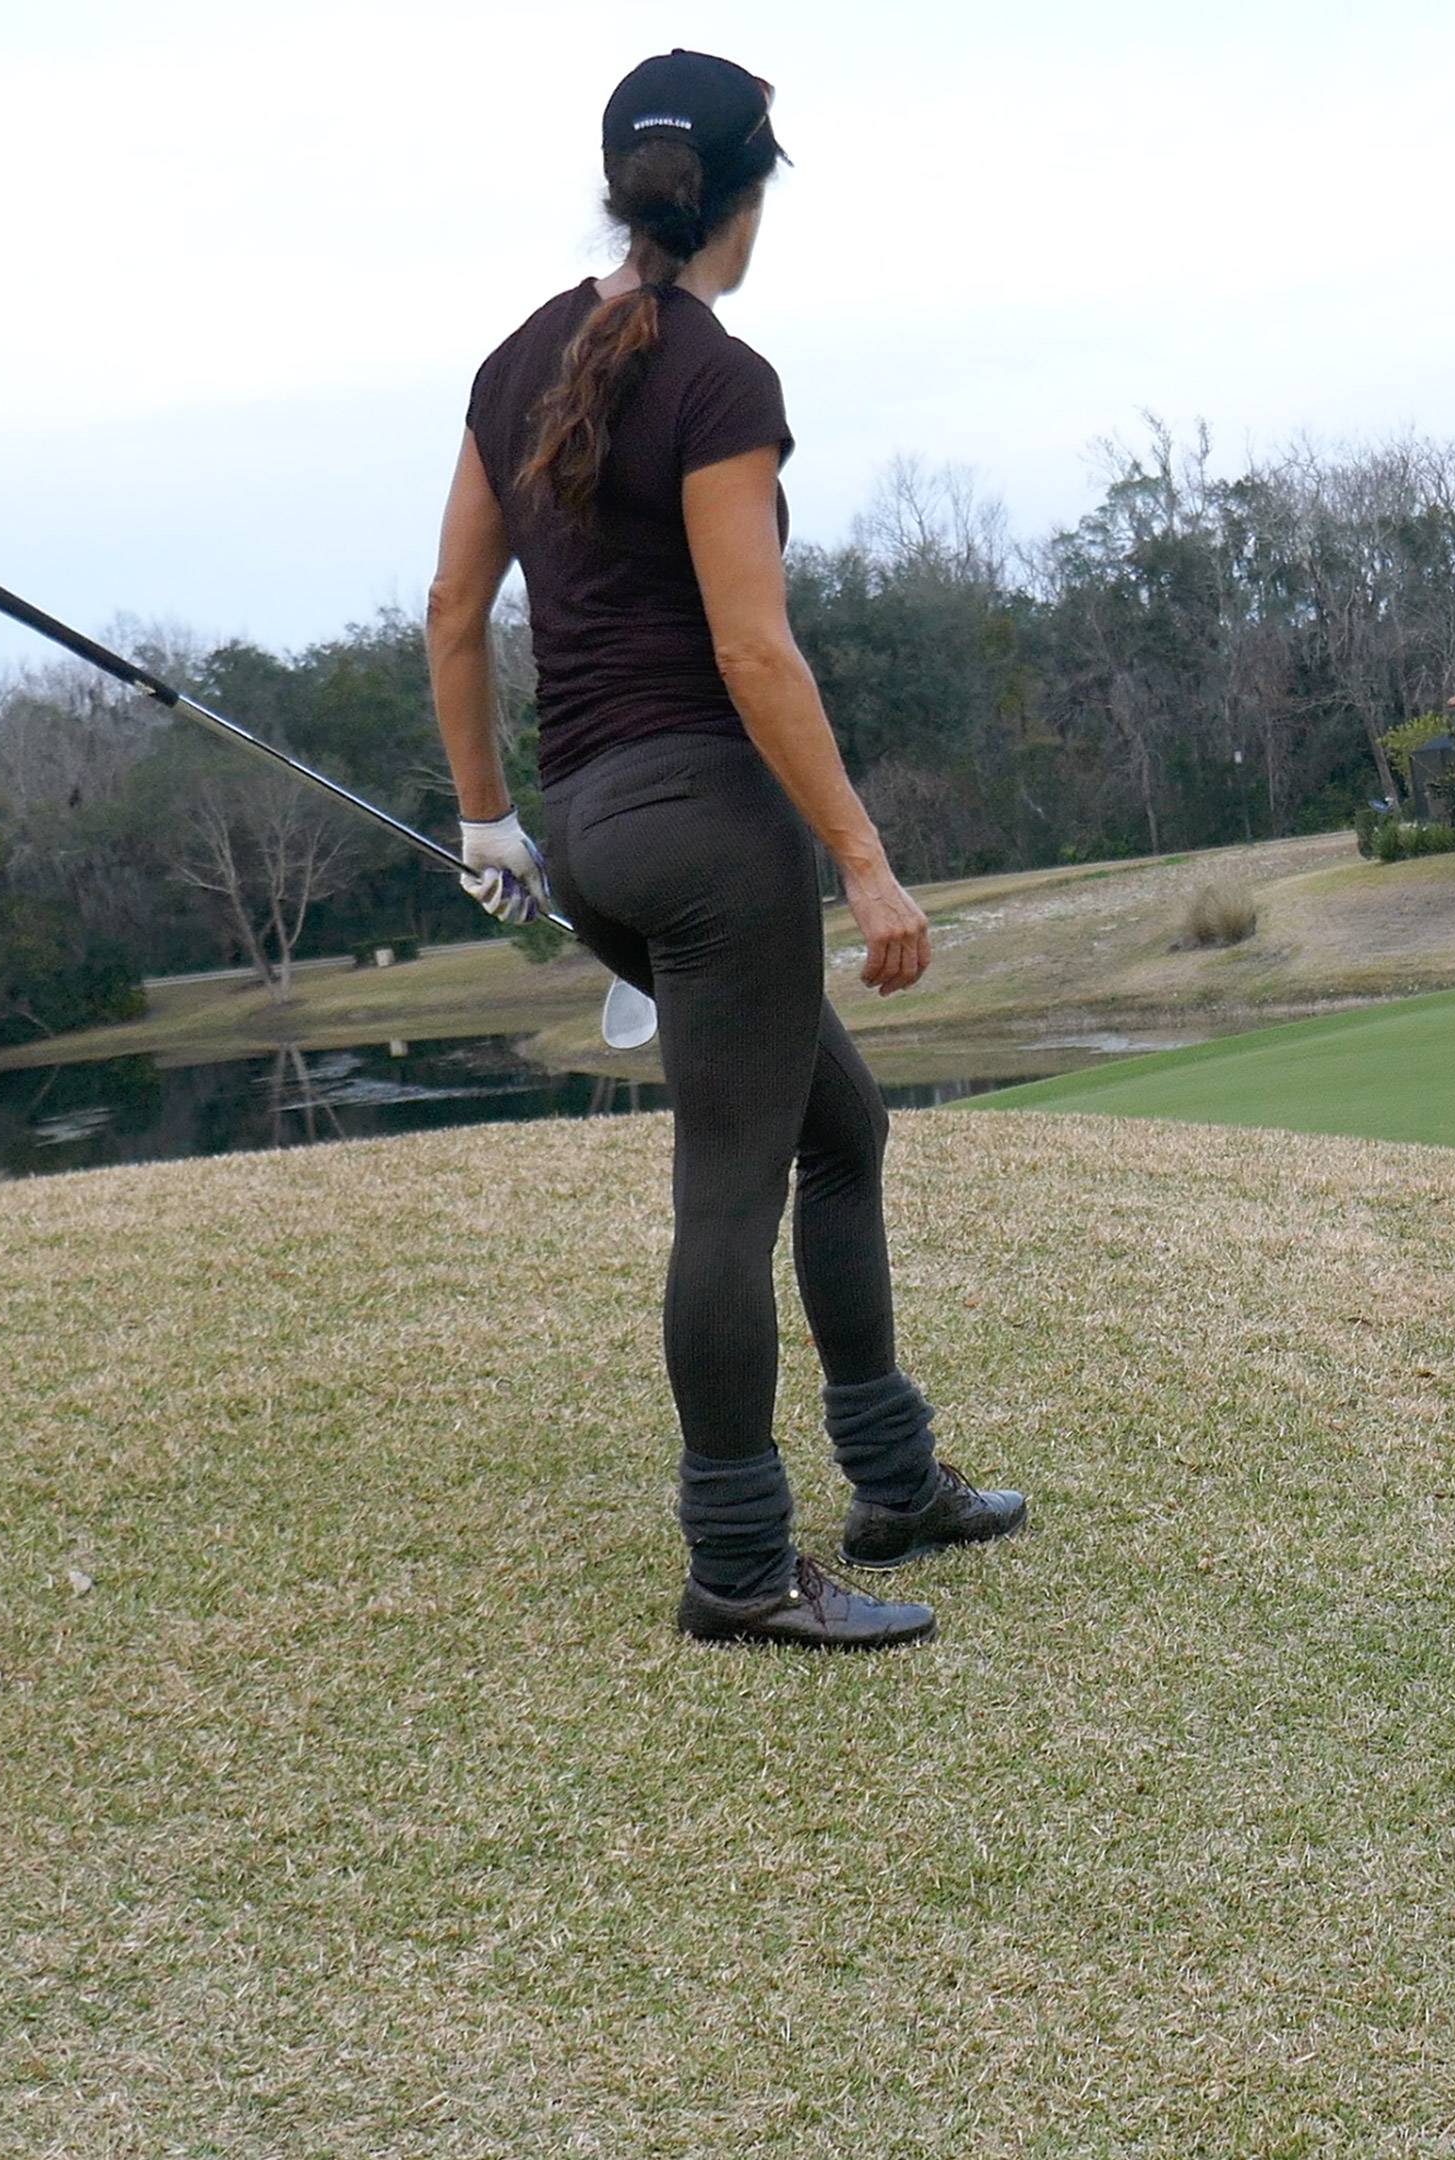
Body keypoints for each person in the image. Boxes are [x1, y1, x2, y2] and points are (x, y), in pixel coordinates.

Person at [423, 50, 1022, 1649]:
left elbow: (451, 614)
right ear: (746, 196)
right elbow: (756, 656)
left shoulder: (512, 365)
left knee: (841, 1126)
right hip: (714, 842)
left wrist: (489, 819)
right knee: (728, 1193)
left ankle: (894, 1479)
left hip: (596, 833)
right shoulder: (720, 378)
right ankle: (743, 1565)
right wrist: (866, 860)